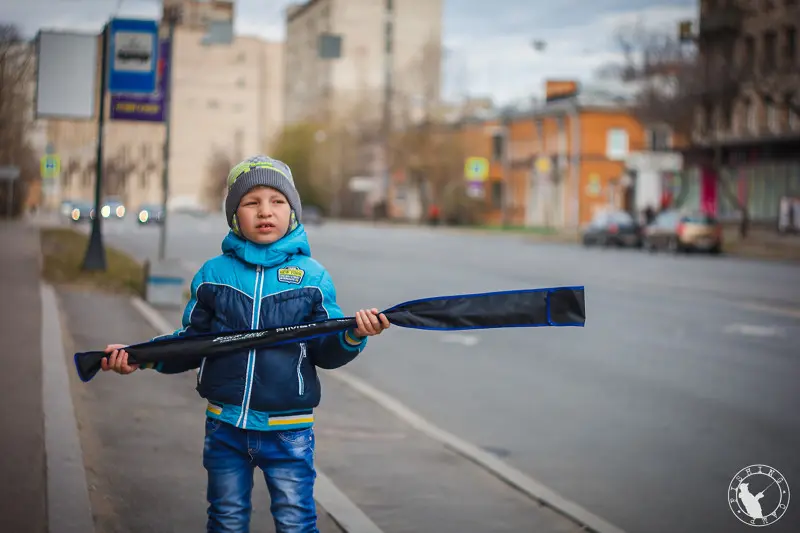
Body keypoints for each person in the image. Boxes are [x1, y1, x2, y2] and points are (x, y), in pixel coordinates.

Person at [101, 155, 391, 533]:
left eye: (277, 201)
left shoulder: (313, 278)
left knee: (295, 522)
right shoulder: (213, 275)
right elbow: (192, 343)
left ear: (293, 212)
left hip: (289, 429)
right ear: (235, 215)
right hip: (226, 425)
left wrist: (353, 335)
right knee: (226, 519)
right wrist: (141, 357)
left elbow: (325, 351)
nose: (265, 211)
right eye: (252, 202)